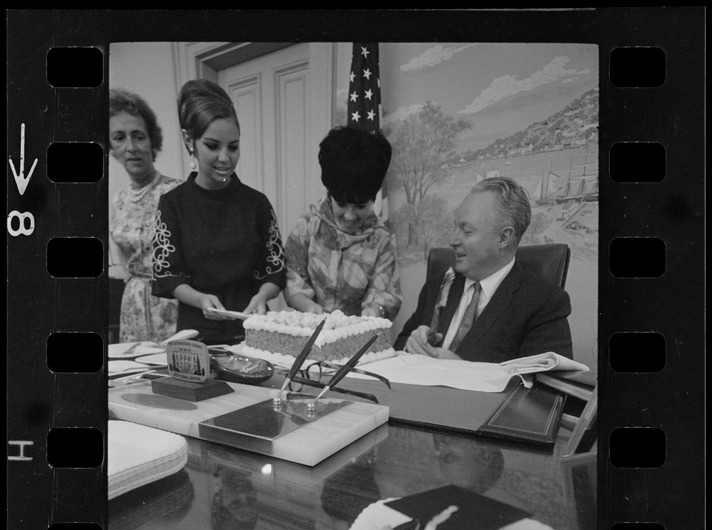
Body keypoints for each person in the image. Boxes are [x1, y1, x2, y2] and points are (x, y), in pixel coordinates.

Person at [152, 79, 285, 345]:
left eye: (233, 147)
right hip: (196, 337)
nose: (225, 158)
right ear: (190, 141)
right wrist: (200, 299)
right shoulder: (172, 205)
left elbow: (275, 270)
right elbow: (168, 275)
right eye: (213, 146)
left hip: (253, 333)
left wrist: (261, 298)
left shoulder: (257, 204)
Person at [394, 176, 573, 362]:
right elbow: (399, 346)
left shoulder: (544, 302)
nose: (453, 241)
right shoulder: (437, 285)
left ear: (504, 238)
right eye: (455, 228)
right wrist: (411, 345)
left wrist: (462, 371)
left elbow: (547, 385)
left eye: (467, 231)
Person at [284, 126, 401, 320]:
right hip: (311, 331)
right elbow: (293, 281)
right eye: (341, 204)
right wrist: (309, 307)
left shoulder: (382, 240)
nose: (349, 216)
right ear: (330, 194)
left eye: (361, 206)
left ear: (373, 199)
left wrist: (374, 312)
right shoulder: (306, 228)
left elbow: (385, 294)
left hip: (359, 337)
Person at [109, 89, 182, 343]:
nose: (131, 147)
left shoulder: (177, 192)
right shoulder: (117, 200)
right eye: (119, 138)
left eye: (138, 136)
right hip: (132, 307)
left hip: (173, 303)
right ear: (111, 147)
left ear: (152, 141)